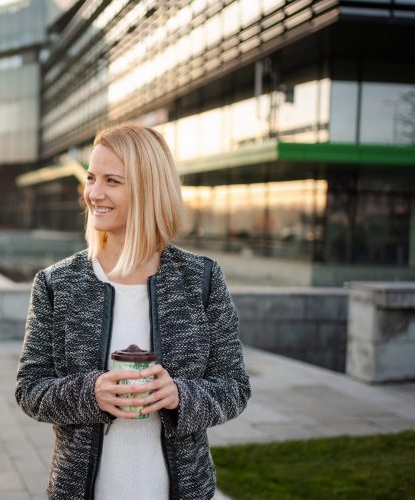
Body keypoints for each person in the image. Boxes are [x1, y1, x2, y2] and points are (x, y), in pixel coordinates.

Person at [15, 124, 250, 499]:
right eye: (91, 178)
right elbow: (30, 390)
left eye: (112, 181)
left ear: (147, 188)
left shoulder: (201, 279)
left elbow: (234, 387)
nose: (94, 193)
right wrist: (90, 393)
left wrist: (179, 395)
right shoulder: (56, 283)